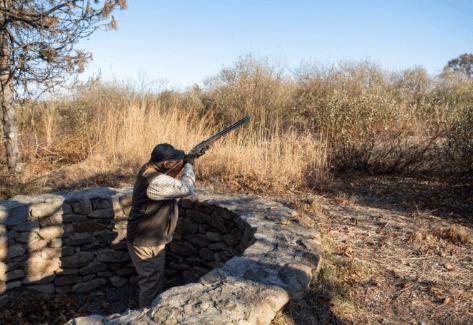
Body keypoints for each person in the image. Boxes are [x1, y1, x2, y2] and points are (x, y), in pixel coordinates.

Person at [126, 143, 196, 308]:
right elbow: (187, 188)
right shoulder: (155, 181)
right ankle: (145, 316)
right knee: (151, 285)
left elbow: (168, 177)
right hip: (147, 242)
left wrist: (184, 160)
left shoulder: (149, 169)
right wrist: (189, 166)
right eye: (174, 160)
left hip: (147, 237)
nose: (177, 161)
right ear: (166, 163)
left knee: (152, 280)